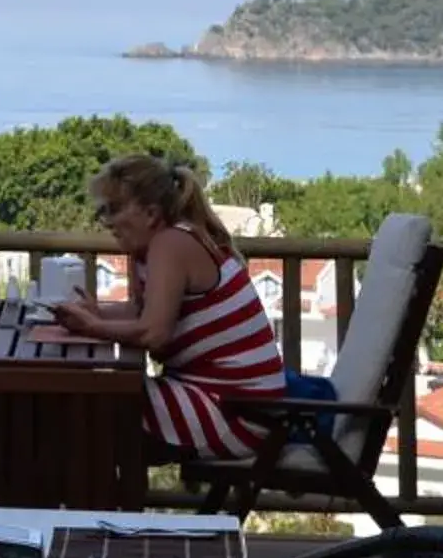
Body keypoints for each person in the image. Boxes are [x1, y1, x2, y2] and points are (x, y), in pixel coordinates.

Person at [47, 153, 287, 460]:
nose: (107, 221)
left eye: (115, 209)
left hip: (238, 416)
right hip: (227, 402)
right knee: (82, 403)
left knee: (78, 408)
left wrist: (92, 327)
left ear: (150, 213)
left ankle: (81, 502)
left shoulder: (170, 244)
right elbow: (143, 312)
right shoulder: (152, 248)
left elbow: (153, 333)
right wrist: (98, 313)